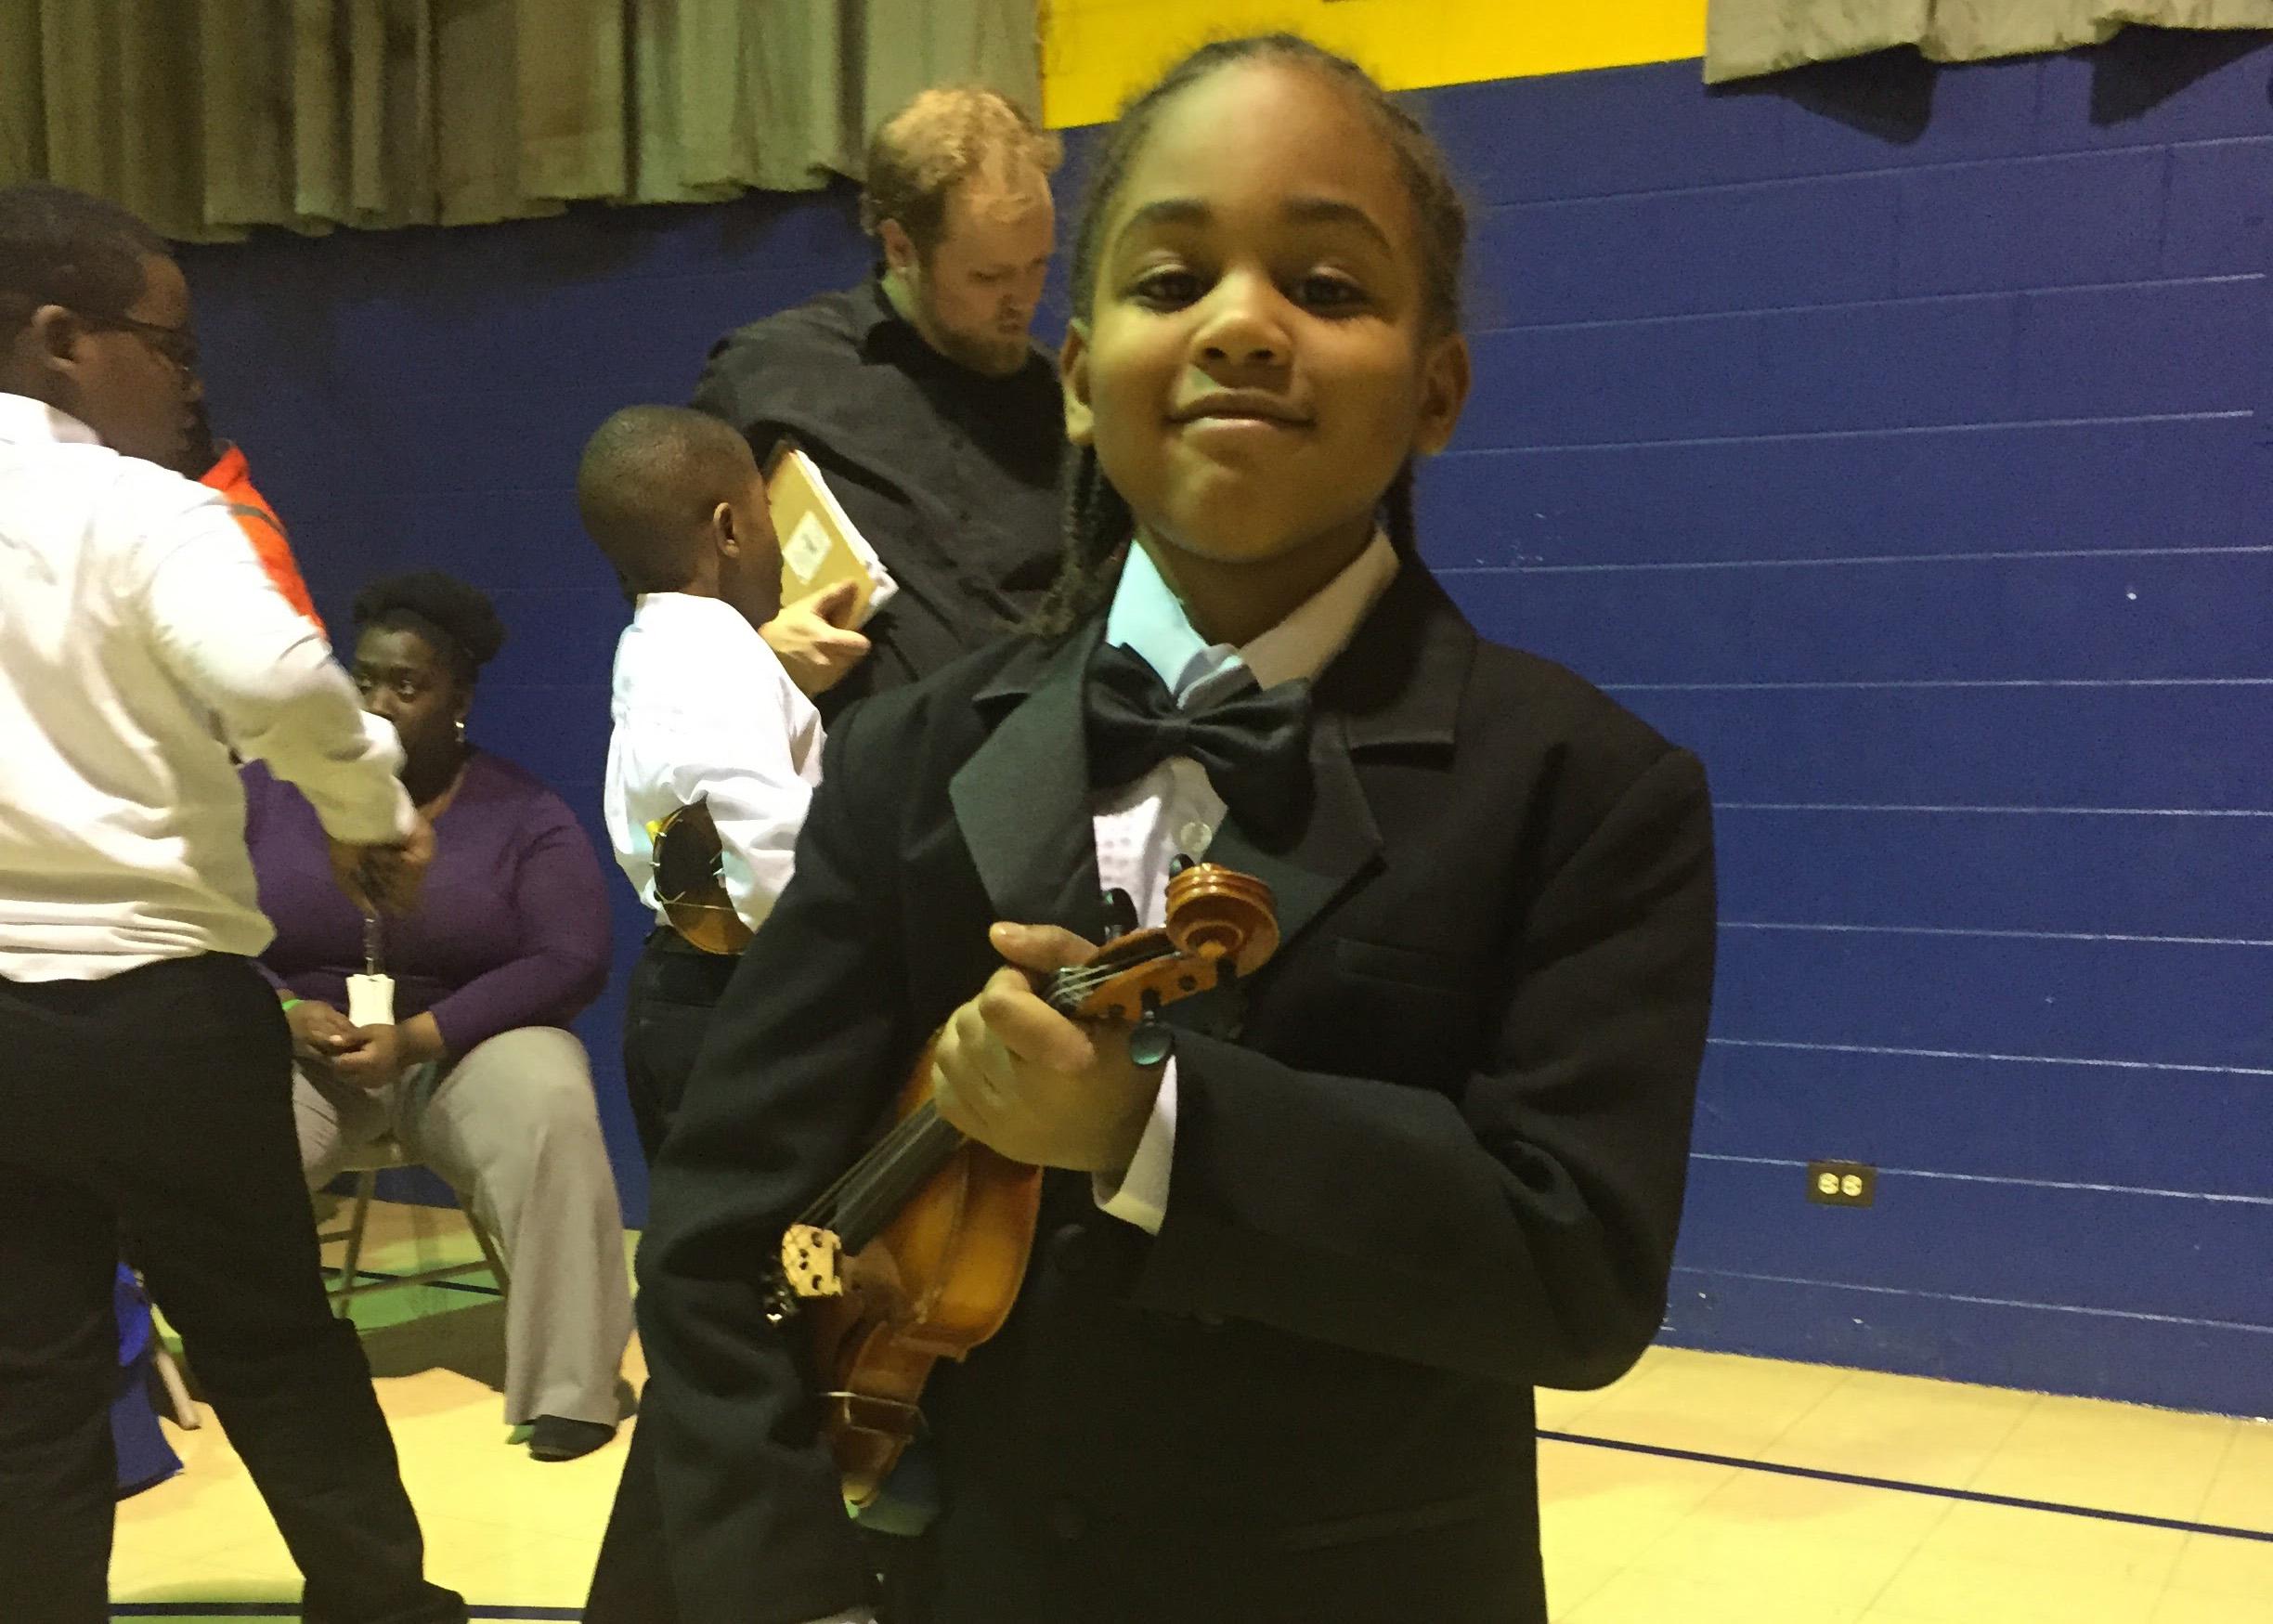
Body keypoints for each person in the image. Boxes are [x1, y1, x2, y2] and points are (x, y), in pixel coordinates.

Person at [607, 33, 1718, 1624]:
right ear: (1074, 375)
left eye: (1328, 288)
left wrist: (1151, 1126)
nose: (1244, 324)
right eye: (1171, 276)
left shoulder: (1586, 787)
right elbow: (722, 1242)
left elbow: (1578, 1267)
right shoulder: (914, 756)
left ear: (1438, 388)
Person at [0, 182, 463, 1623]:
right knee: (271, 1339)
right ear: (65, 337)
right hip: (158, 1013)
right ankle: (382, 1606)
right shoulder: (145, 513)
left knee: (27, 1375)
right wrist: (367, 808)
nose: (194, 382)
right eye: (172, 345)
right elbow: (273, 678)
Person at [244, 570, 630, 1463]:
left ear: (458, 695)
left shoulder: (521, 811)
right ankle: (262, 1363)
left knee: (552, 1097)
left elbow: (572, 956)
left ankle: (572, 1387)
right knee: (215, 1106)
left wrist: (422, 1036)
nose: (378, 703)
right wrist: (287, 1007)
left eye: (407, 686)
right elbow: (210, 923)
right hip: (308, 1055)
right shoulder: (271, 792)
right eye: (364, 678)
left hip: (462, 1050)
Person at [694, 86, 1067, 716]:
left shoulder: (1068, 403)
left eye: (1037, 266)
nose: (1022, 300)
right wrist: (756, 653)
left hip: (1041, 781)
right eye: (988, 276)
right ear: (900, 248)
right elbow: (674, 585)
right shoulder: (772, 372)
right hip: (858, 792)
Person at [580, 406, 826, 1163]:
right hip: (734, 1001)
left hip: (687, 992)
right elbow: (764, 863)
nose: (781, 546)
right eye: (768, 515)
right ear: (727, 529)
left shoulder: (656, 649)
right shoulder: (714, 658)